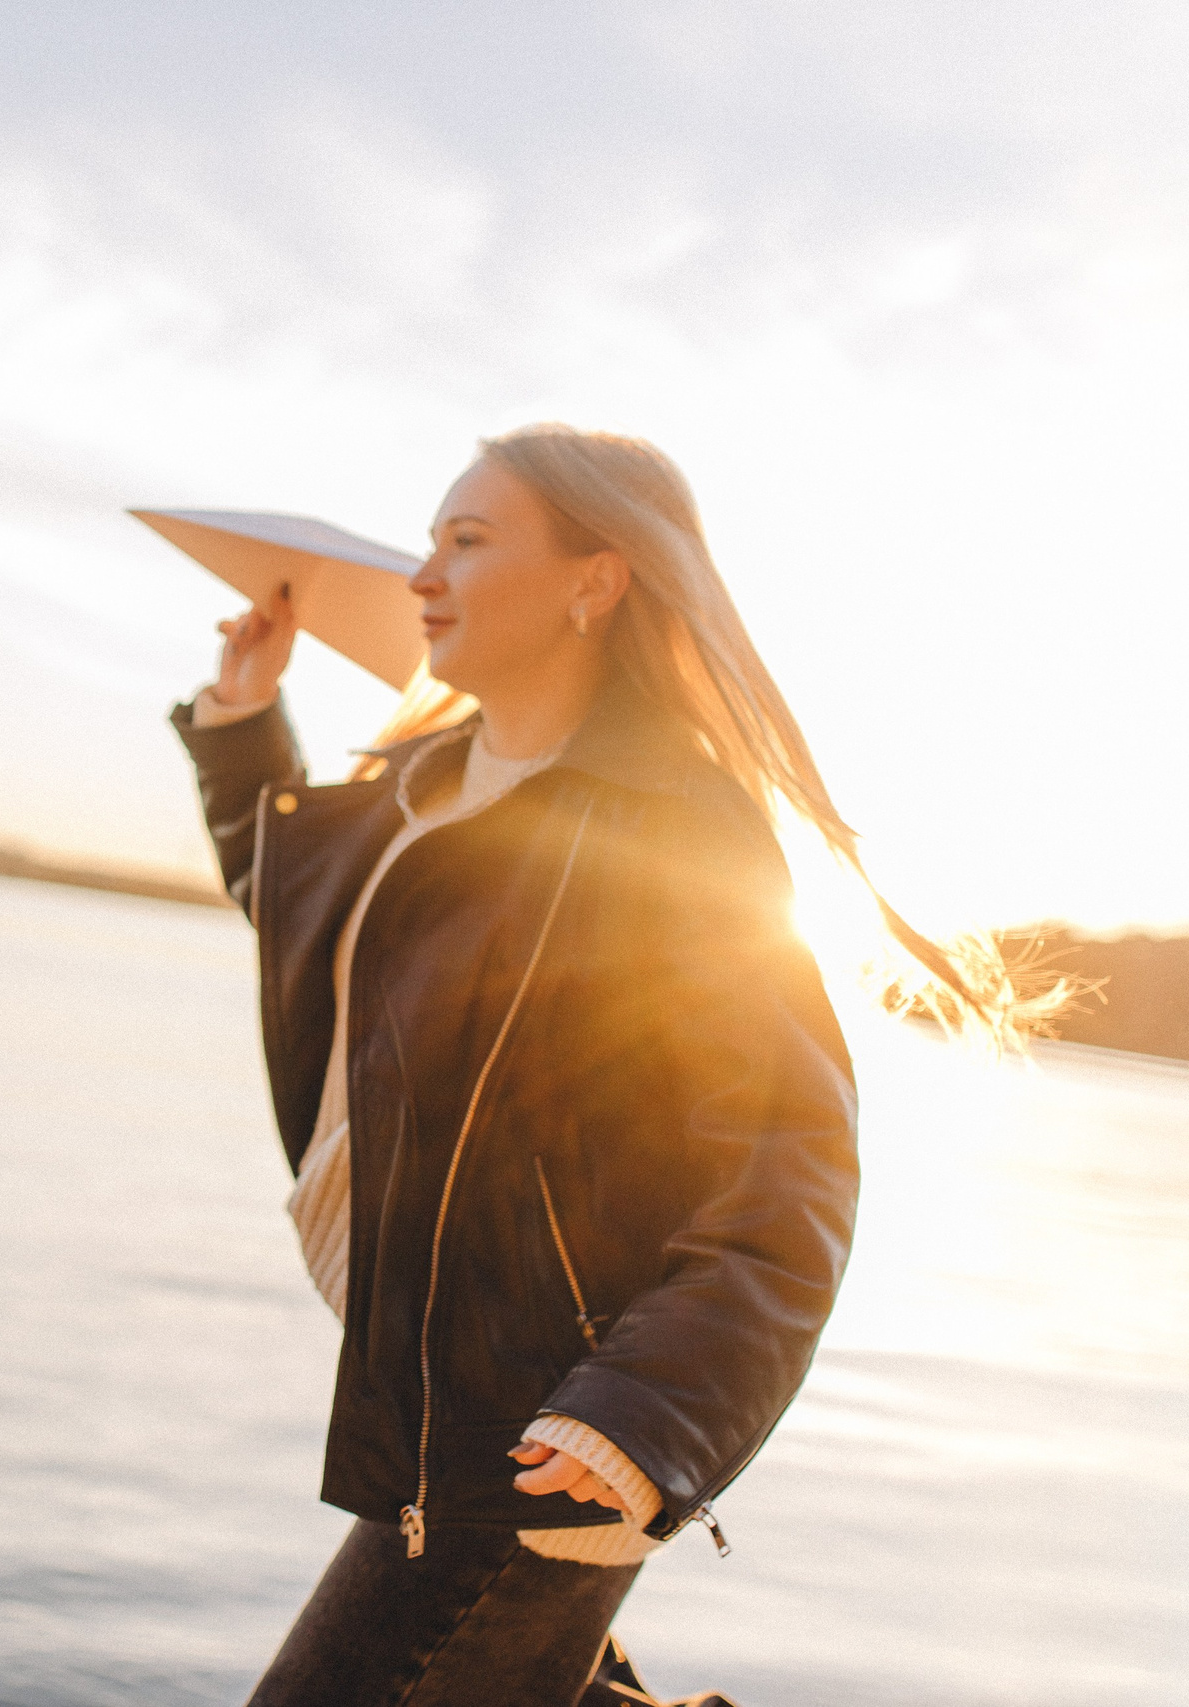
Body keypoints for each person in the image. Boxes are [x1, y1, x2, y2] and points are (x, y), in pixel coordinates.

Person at [175, 425, 1034, 1704]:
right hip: (451, 1407)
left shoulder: (670, 829)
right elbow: (317, 935)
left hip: (548, 1437)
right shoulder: (433, 789)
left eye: (467, 541)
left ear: (595, 580)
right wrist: (243, 724)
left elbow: (787, 1163)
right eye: (426, 541)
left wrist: (639, 1420)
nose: (421, 574)